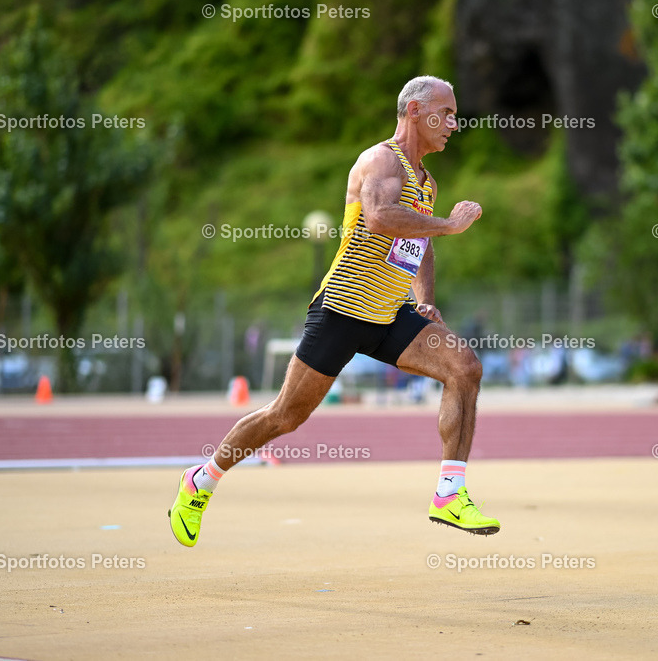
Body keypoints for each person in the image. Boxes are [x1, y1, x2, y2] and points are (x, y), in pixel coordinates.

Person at [169, 76, 500, 546]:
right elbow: (381, 217)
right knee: (285, 416)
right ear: (413, 112)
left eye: (453, 114)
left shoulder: (427, 181)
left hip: (389, 315)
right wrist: (450, 224)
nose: (454, 123)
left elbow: (419, 240)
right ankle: (201, 479)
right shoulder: (381, 160)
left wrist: (423, 298)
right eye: (444, 113)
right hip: (343, 311)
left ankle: (450, 492)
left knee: (464, 368)